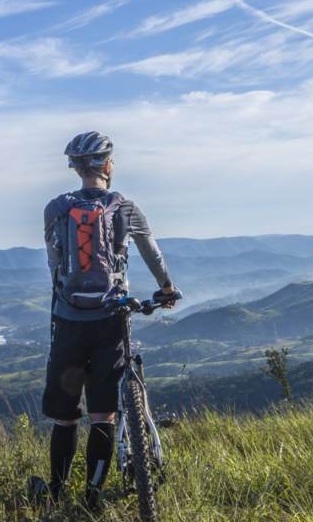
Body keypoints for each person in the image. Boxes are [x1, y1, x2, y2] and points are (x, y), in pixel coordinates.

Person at [40, 131, 178, 510]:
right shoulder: (125, 208)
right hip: (110, 320)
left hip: (67, 320)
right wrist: (166, 288)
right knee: (103, 413)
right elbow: (152, 254)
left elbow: (54, 264)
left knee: (66, 418)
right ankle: (93, 496)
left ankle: (54, 492)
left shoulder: (55, 208)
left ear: (76, 167)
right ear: (108, 165)